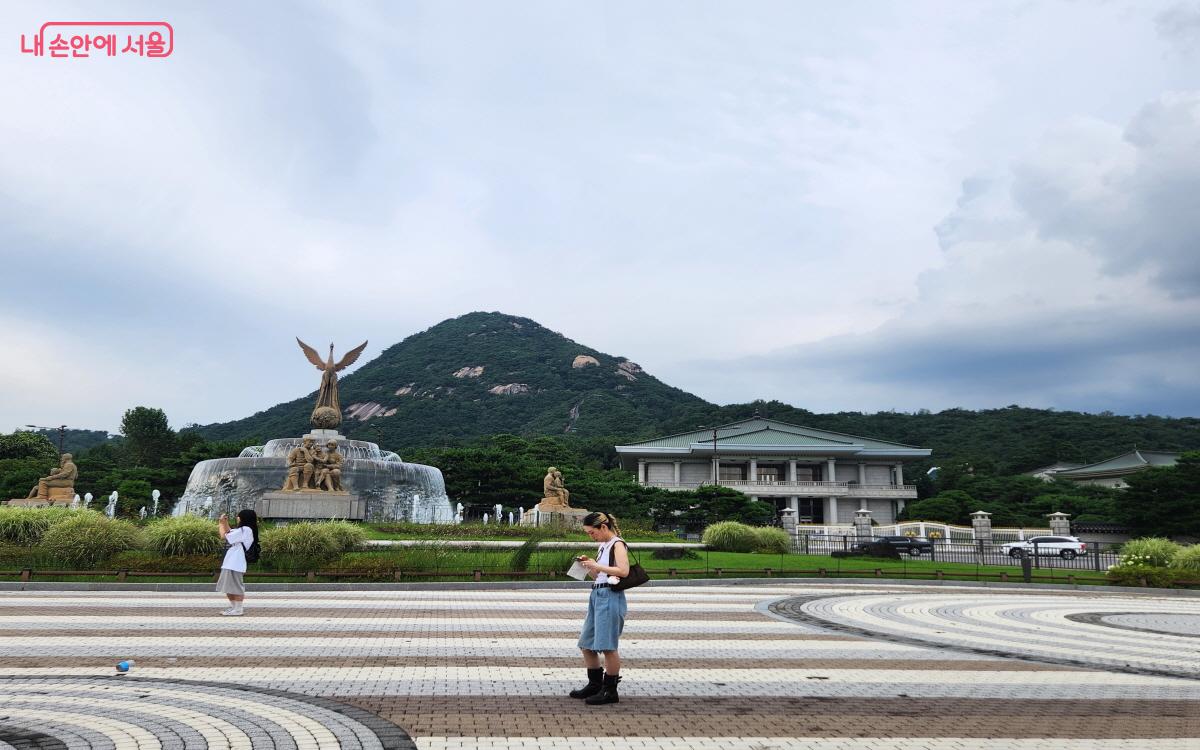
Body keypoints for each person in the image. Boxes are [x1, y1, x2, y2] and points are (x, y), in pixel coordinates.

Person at [570, 511, 630, 705]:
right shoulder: (603, 546)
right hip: (597, 593)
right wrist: (589, 567)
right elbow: (599, 576)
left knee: (607, 645)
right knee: (586, 642)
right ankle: (595, 684)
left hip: (610, 596)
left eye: (591, 532)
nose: (591, 536)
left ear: (603, 527)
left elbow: (623, 571)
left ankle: (610, 690)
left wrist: (597, 565)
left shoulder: (617, 544)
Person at [216, 509, 257, 616]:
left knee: (236, 587)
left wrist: (221, 524)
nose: (237, 518)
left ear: (244, 518)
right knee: (228, 586)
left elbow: (223, 536)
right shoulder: (242, 530)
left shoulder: (246, 529)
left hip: (236, 563)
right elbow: (230, 532)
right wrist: (225, 523)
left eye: (239, 516)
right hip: (231, 562)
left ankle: (238, 609)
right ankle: (234, 607)